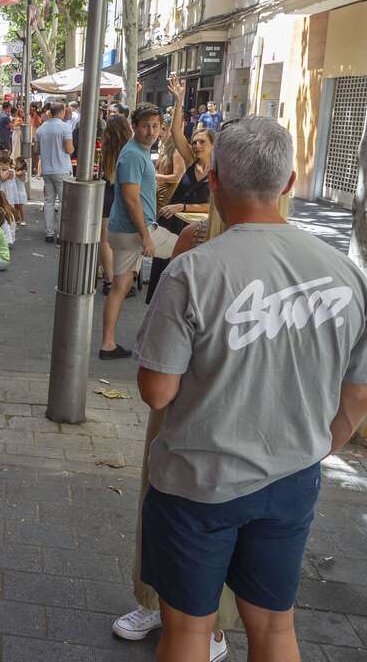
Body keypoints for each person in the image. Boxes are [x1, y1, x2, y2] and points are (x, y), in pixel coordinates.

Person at [133, 117, 367, 662]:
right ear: (288, 184)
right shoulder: (347, 276)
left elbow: (157, 393)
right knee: (275, 629)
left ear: (212, 181)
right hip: (292, 480)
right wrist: (316, 447)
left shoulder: (193, 272)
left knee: (190, 632)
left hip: (197, 481)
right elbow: (356, 399)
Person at [111, 190, 245, 660]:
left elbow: (156, 384)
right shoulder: (198, 238)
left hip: (231, 417)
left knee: (224, 522)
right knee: (168, 511)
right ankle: (155, 601)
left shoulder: (292, 255)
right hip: (186, 410)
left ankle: (210, 625)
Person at [98, 105, 179, 360]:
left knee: (120, 286)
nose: (151, 131)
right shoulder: (133, 155)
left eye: (155, 126)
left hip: (128, 229)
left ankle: (108, 344)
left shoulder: (139, 152)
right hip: (134, 230)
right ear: (134, 126)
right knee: (190, 249)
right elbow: (131, 199)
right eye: (145, 126)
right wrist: (145, 236)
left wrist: (177, 100)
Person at [146, 77, 214, 299]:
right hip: (171, 222)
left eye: (202, 142)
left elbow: (210, 206)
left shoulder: (218, 172)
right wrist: (179, 100)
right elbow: (176, 132)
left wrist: (181, 206)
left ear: (213, 146)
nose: (196, 145)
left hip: (195, 230)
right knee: (162, 270)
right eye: (194, 142)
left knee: (182, 277)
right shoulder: (190, 160)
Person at [97, 115, 133, 296]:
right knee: (124, 239)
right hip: (127, 193)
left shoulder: (106, 148)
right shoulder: (132, 148)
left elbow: (101, 171)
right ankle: (125, 280)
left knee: (105, 240)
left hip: (107, 194)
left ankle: (110, 281)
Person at [35, 102, 74, 244]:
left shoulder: (40, 129)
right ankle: (60, 233)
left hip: (47, 169)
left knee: (49, 201)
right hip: (62, 169)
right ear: (61, 112)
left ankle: (49, 233)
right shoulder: (65, 127)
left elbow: (37, 150)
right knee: (64, 202)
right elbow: (69, 149)